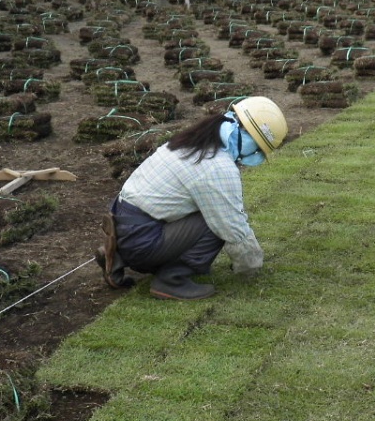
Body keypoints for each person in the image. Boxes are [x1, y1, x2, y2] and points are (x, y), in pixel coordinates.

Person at [96, 96, 288, 301]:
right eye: (258, 148)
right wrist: (251, 265)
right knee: (215, 222)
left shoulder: (193, 140)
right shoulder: (217, 165)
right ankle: (171, 280)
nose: (256, 155)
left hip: (122, 225)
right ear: (247, 135)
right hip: (141, 239)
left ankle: (118, 255)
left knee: (208, 209)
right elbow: (232, 226)